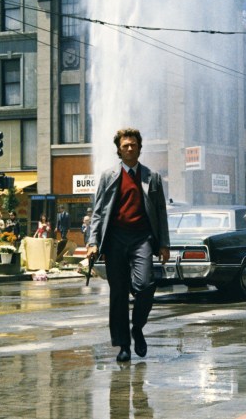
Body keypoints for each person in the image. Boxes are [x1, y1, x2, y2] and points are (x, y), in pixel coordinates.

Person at [86, 127, 170, 362]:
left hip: (142, 238)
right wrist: (92, 243)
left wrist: (164, 243)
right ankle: (123, 345)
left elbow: (161, 212)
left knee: (145, 285)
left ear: (140, 148)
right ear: (119, 150)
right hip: (115, 240)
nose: (130, 148)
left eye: (134, 145)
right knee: (119, 294)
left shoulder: (151, 177)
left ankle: (138, 328)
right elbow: (98, 212)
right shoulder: (108, 176)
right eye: (125, 145)